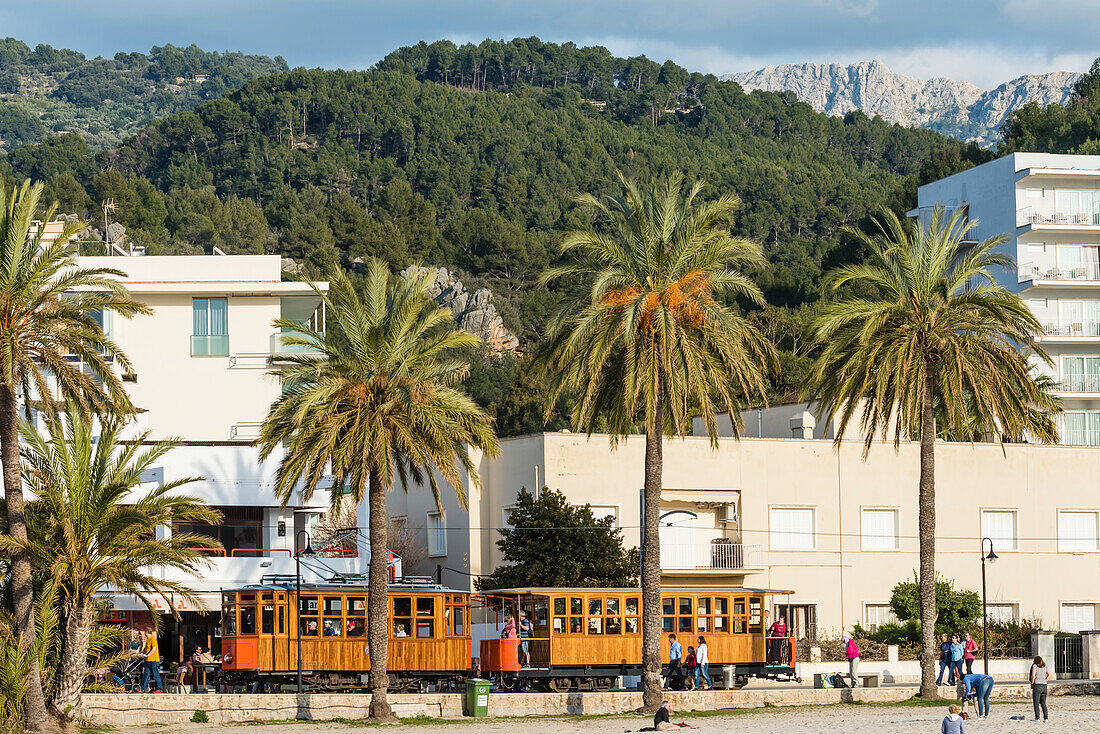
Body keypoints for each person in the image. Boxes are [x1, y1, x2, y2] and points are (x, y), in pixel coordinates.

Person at [139, 625, 163, 693]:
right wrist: (142, 653)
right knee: (146, 675)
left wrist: (147, 655)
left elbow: (154, 649)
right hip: (148, 660)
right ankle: (142, 689)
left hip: (153, 660)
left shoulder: (153, 639)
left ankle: (159, 689)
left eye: (144, 632)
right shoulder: (148, 640)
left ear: (147, 632)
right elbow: (146, 649)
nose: (144, 634)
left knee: (156, 675)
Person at [1030, 655, 1051, 722]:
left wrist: (1032, 683)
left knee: (1036, 702)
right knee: (1043, 703)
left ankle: (1037, 718)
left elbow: (1033, 675)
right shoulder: (1045, 666)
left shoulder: (1035, 666)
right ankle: (1046, 718)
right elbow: (1049, 674)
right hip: (1044, 686)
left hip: (1037, 685)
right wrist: (1045, 680)